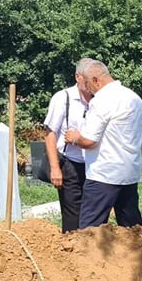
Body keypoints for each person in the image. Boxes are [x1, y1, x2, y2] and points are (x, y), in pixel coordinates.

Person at [63, 60, 142, 228]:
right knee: (132, 229)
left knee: (91, 230)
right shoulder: (133, 97)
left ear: (95, 80)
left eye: (87, 84)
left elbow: (89, 141)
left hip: (104, 174)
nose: (88, 89)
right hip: (129, 171)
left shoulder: (102, 100)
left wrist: (75, 137)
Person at [42, 59, 94, 232]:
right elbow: (50, 133)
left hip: (93, 164)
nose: (92, 83)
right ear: (78, 77)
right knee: (72, 215)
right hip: (69, 163)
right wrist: (55, 168)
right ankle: (71, 244)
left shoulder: (99, 100)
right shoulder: (62, 98)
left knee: (92, 213)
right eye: (88, 79)